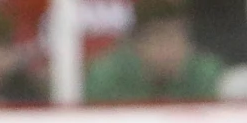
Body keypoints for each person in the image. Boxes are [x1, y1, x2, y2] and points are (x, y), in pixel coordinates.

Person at [84, 0, 223, 101]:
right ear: (138, 44)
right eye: (159, 38)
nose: (169, 50)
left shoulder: (204, 73)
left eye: (176, 38)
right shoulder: (107, 76)